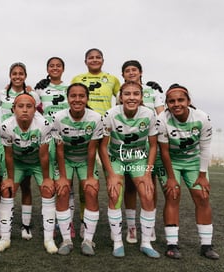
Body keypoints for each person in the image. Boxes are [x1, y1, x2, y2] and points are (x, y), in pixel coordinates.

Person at [157, 84, 219, 260]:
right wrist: (171, 178)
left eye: (180, 100)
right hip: (170, 162)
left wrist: (202, 175)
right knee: (173, 195)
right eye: (171, 101)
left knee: (203, 196)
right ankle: (172, 245)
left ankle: (206, 246)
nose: (176, 104)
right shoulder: (162, 119)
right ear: (167, 103)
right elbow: (165, 151)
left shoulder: (202, 118)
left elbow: (205, 148)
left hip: (193, 161)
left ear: (188, 101)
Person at [99, 81, 160, 258]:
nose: (131, 97)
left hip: (138, 158)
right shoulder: (110, 114)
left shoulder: (149, 114)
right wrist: (111, 174)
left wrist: (148, 173)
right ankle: (117, 242)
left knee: (148, 194)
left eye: (135, 94)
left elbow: (154, 146)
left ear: (141, 97)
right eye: (127, 94)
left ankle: (146, 243)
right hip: (116, 158)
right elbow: (102, 147)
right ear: (120, 97)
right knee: (114, 192)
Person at [0, 92, 57, 254]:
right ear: (13, 109)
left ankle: (48, 239)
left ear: (35, 109)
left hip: (37, 162)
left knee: (48, 190)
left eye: (29, 106)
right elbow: (8, 155)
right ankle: (5, 238)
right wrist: (8, 178)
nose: (24, 110)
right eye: (20, 106)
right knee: (7, 191)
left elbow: (44, 155)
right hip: (18, 163)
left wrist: (47, 179)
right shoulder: (6, 126)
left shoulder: (43, 124)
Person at [71, 48, 121, 238]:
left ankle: (113, 222)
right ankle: (82, 221)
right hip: (84, 132)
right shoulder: (78, 78)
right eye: (90, 58)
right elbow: (72, 99)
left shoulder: (112, 79)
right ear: (85, 61)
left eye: (97, 57)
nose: (94, 60)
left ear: (103, 60)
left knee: (110, 178)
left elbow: (124, 96)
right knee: (85, 179)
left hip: (106, 133)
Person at [52, 83, 104, 256]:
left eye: (81, 96)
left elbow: (92, 149)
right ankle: (66, 239)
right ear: (67, 98)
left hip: (84, 159)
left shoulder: (95, 118)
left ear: (87, 98)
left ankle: (88, 240)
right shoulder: (58, 117)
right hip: (65, 158)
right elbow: (59, 149)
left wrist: (89, 176)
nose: (77, 99)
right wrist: (62, 178)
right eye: (73, 96)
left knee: (90, 191)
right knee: (63, 191)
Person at [119, 60, 165, 244]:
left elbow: (161, 116)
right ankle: (131, 227)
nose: (131, 73)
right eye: (127, 71)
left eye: (134, 70)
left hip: (148, 142)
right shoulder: (121, 91)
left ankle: (149, 225)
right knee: (130, 186)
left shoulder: (152, 90)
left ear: (141, 72)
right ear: (123, 75)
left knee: (148, 185)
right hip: (128, 144)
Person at [0, 62, 40, 241]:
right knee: (5, 185)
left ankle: (26, 225)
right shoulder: (1, 94)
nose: (18, 76)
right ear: (10, 75)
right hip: (5, 144)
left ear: (25, 75)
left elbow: (39, 114)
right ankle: (1, 223)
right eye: (14, 73)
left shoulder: (32, 94)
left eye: (21, 73)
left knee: (26, 186)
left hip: (26, 143)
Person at [34, 57, 76, 237]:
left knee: (68, 182)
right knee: (51, 178)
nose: (55, 68)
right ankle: (51, 220)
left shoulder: (69, 89)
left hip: (65, 138)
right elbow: (31, 107)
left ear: (63, 69)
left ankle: (67, 222)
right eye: (51, 66)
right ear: (47, 68)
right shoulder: (40, 88)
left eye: (58, 66)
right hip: (47, 138)